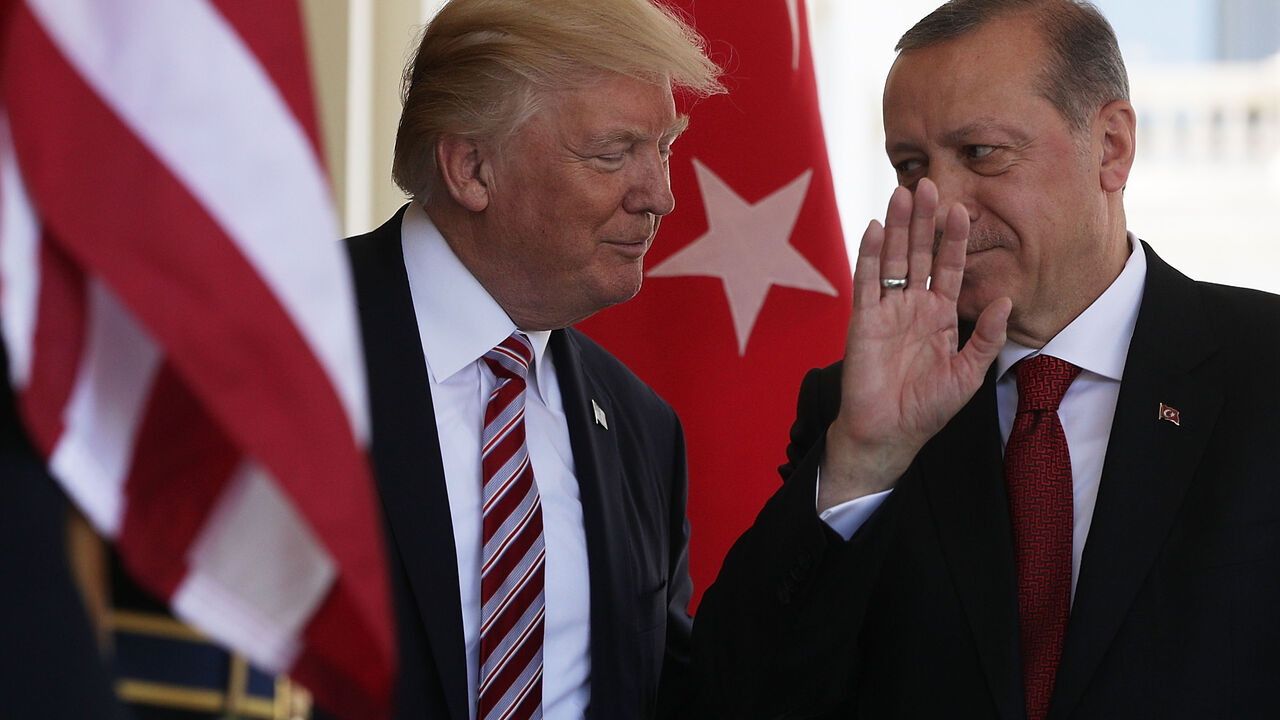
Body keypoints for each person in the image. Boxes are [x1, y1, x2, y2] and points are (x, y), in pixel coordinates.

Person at [692, 1, 1280, 718]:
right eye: (912, 166)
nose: (942, 206)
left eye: (981, 154)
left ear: (1112, 146)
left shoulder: (1263, 369)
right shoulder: (857, 412)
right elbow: (731, 693)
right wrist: (863, 462)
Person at [340, 1, 722, 719]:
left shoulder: (642, 428)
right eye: (613, 154)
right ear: (472, 167)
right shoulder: (287, 341)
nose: (661, 197)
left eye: (664, 147)